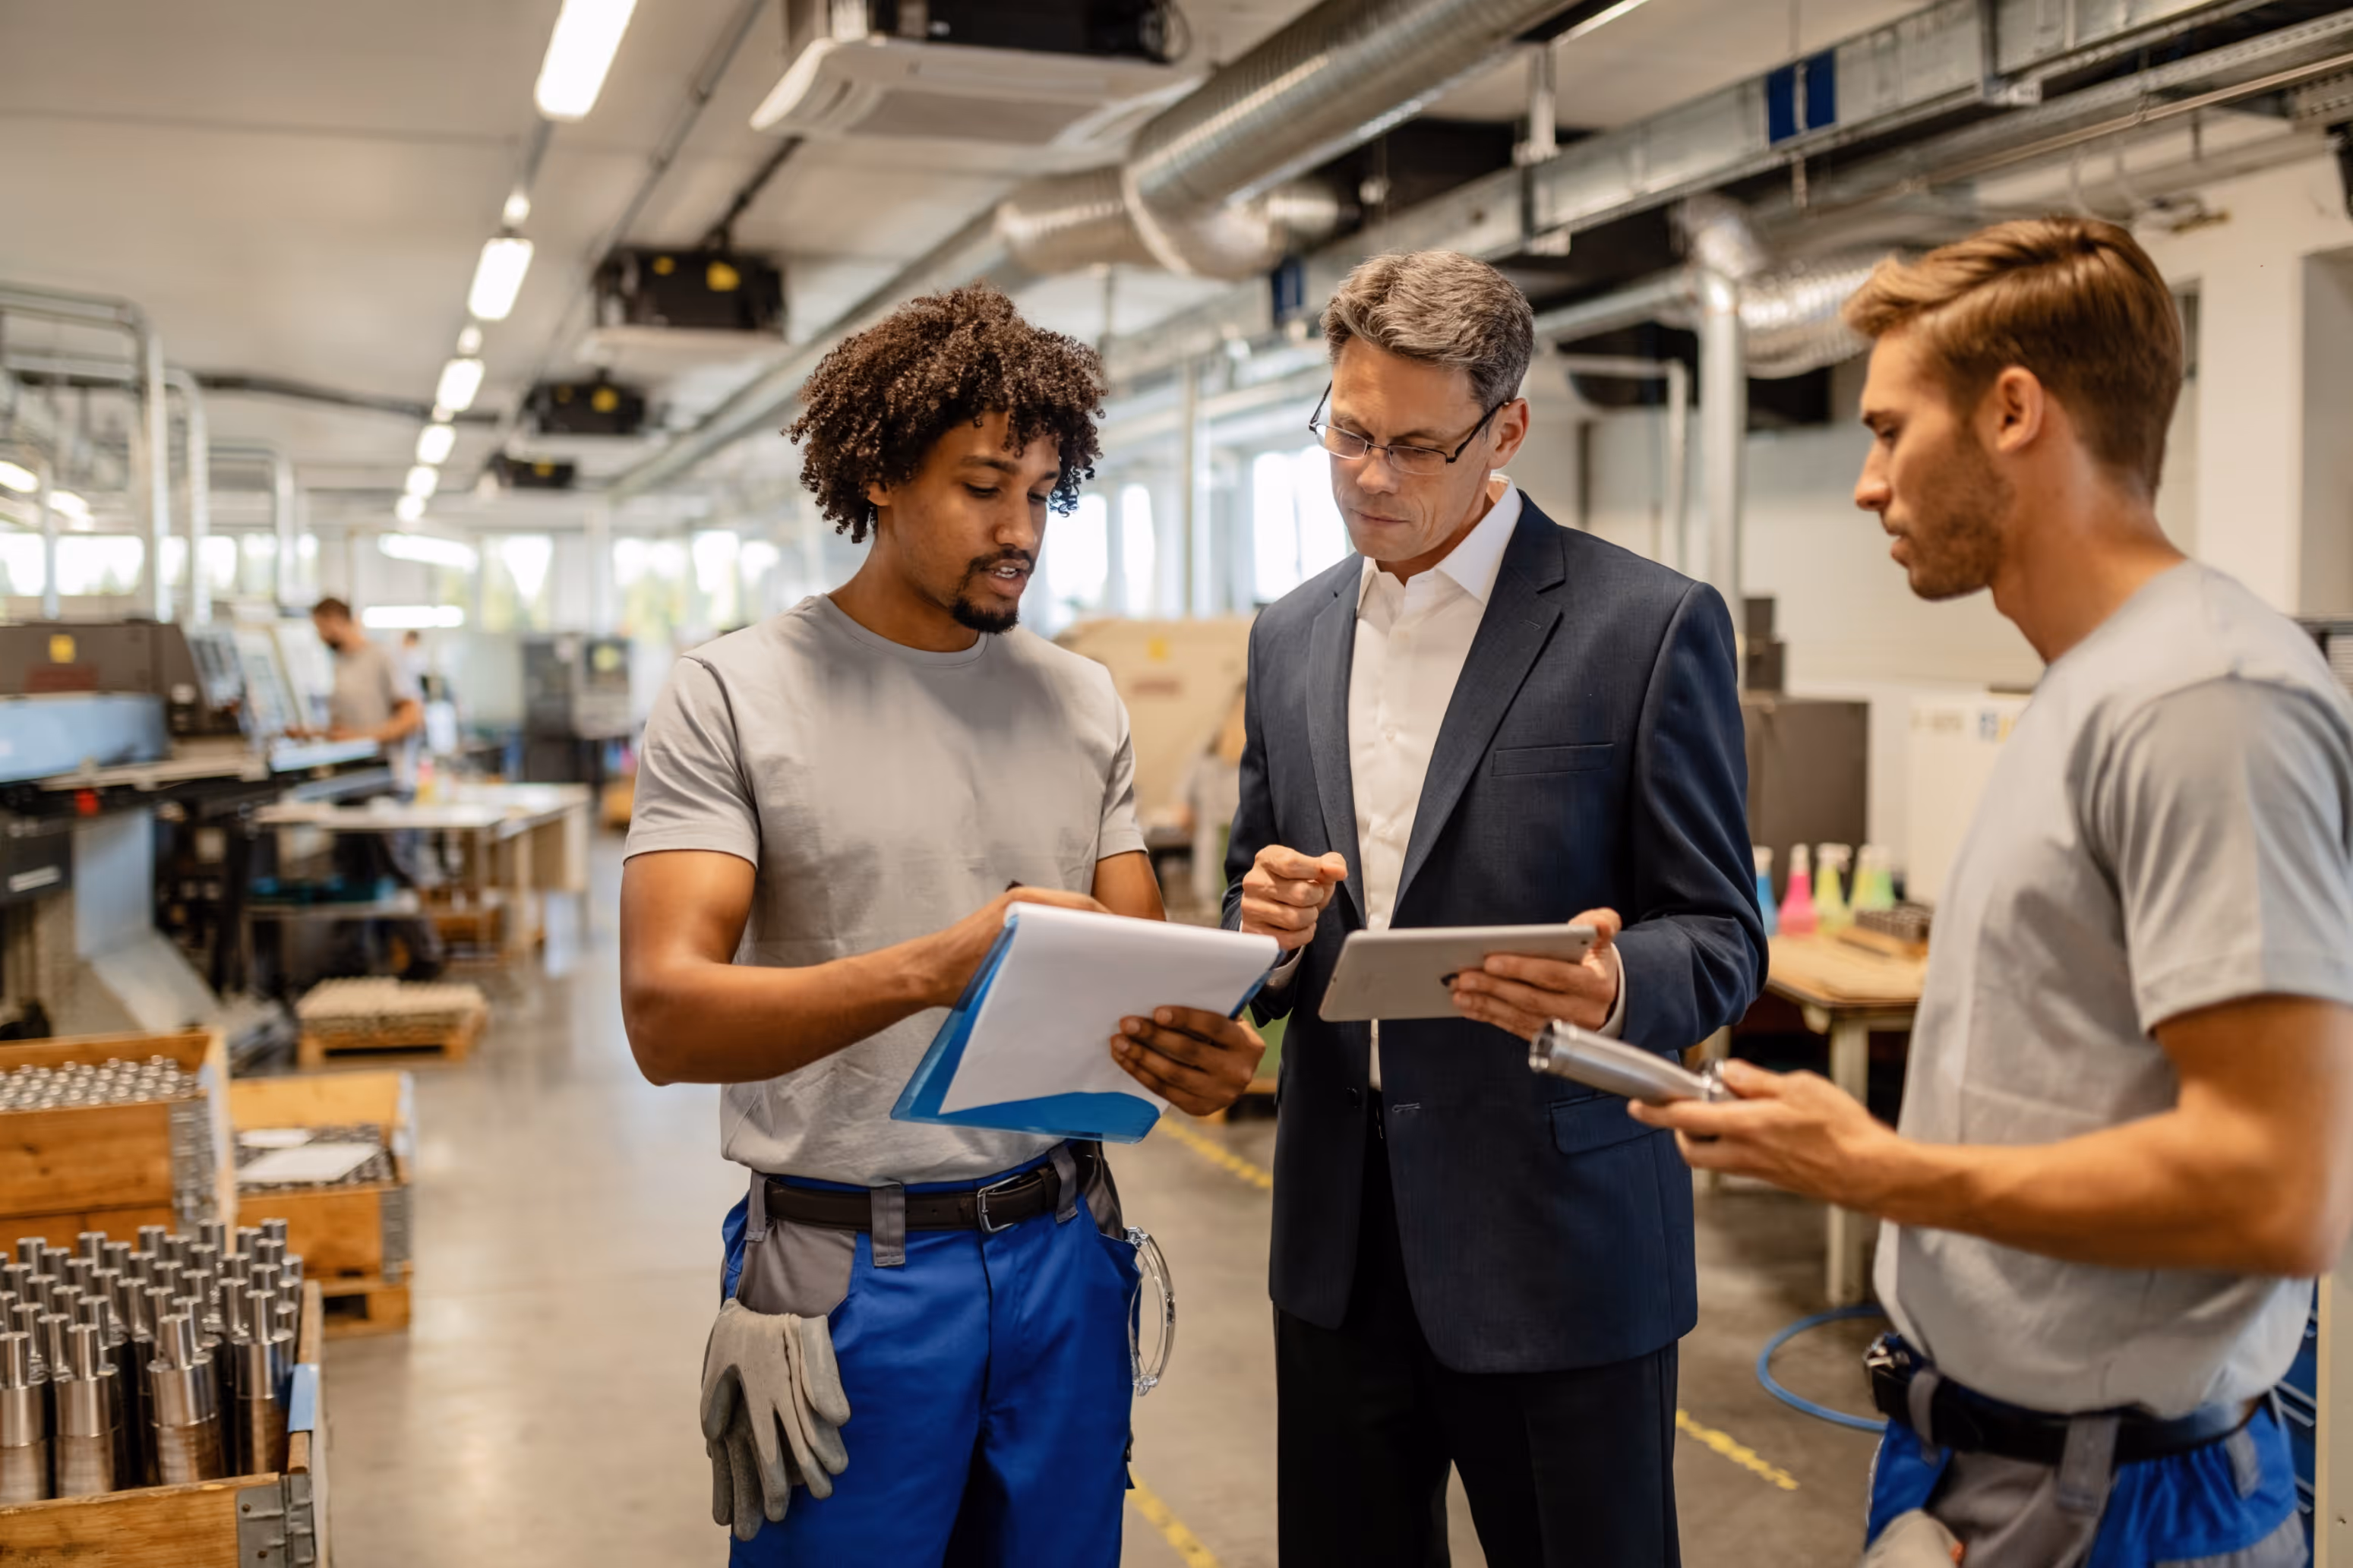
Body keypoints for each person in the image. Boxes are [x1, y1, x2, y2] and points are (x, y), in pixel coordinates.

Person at [1633, 217, 2353, 1566]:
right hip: (1991, 1457)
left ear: (2012, 411)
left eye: (1889, 430)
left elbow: (2276, 1186)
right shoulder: (2091, 683)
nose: (1866, 483)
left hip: (2120, 1501)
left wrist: (1881, 1170)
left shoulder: (2203, 702)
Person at [617, 283, 1266, 1566]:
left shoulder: (1082, 702)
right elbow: (665, 1015)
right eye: (982, 488)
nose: (1019, 530)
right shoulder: (736, 694)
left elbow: (1137, 997)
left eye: (1039, 493)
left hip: (1064, 1255)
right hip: (846, 1273)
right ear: (875, 476)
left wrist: (1213, 1052)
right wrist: (936, 966)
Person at [1223, 249, 1766, 1567]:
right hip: (1338, 1249)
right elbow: (1257, 909)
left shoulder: (1643, 627)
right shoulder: (1288, 635)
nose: (1369, 477)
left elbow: (1720, 934)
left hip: (1556, 1249)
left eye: (1415, 447)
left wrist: (1615, 983)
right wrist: (1262, 929)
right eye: (1346, 434)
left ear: (1505, 429)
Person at [310, 597, 442, 980]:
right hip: (350, 779)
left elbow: (412, 716)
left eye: (323, 627)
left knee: (395, 868)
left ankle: (425, 953)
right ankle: (350, 962)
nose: (321, 636)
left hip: (387, 779)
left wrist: (367, 738)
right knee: (354, 874)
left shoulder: (382, 658)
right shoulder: (340, 666)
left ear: (339, 620)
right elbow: (345, 727)